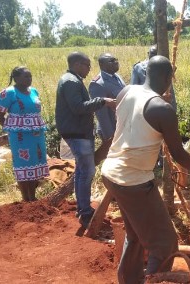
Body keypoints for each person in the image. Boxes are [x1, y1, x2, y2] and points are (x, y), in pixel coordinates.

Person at [101, 55, 190, 283]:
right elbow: (178, 153)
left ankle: (129, 279)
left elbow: (130, 127)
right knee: (164, 243)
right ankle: (153, 280)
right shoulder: (163, 109)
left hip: (111, 172)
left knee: (136, 234)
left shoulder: (126, 91)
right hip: (133, 182)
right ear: (167, 77)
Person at [55, 51, 116, 227]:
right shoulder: (71, 82)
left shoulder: (71, 80)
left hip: (78, 132)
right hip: (77, 133)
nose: (89, 69)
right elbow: (78, 107)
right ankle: (85, 212)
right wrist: (102, 101)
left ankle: (83, 209)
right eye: (87, 65)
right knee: (87, 172)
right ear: (77, 65)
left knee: (82, 171)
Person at [0, 66, 49, 202]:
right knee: (23, 166)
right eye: (26, 76)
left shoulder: (34, 91)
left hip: (37, 135)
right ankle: (26, 199)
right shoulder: (9, 93)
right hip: (19, 137)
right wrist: (11, 129)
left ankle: (33, 197)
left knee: (35, 165)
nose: (29, 79)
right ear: (16, 78)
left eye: (30, 76)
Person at [89, 53, 125, 158]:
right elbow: (101, 115)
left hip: (122, 126)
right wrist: (110, 137)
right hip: (112, 129)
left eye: (116, 59)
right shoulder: (98, 84)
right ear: (101, 64)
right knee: (115, 158)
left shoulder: (116, 76)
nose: (116, 62)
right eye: (111, 61)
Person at [131, 44, 177, 110]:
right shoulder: (139, 67)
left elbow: (168, 87)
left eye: (158, 54)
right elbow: (134, 90)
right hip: (147, 107)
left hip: (166, 104)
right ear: (148, 53)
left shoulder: (166, 66)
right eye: (153, 53)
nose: (155, 56)